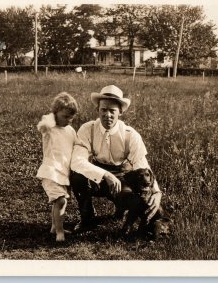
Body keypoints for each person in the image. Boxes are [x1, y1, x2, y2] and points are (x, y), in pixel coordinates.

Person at [70, 85, 162, 232]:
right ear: (97, 110)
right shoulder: (88, 129)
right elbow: (76, 161)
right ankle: (87, 218)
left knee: (136, 199)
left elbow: (142, 165)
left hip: (122, 176)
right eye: (103, 110)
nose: (107, 115)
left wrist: (156, 192)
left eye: (112, 110)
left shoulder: (130, 134)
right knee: (77, 177)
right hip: (98, 174)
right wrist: (105, 175)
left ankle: (123, 210)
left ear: (120, 112)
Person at [36, 92, 78, 242]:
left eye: (71, 117)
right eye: (65, 116)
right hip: (51, 170)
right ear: (56, 113)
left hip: (63, 172)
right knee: (60, 200)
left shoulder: (71, 131)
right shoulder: (49, 129)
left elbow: (76, 147)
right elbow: (43, 124)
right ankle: (60, 232)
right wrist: (51, 118)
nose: (69, 120)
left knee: (59, 201)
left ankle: (55, 226)